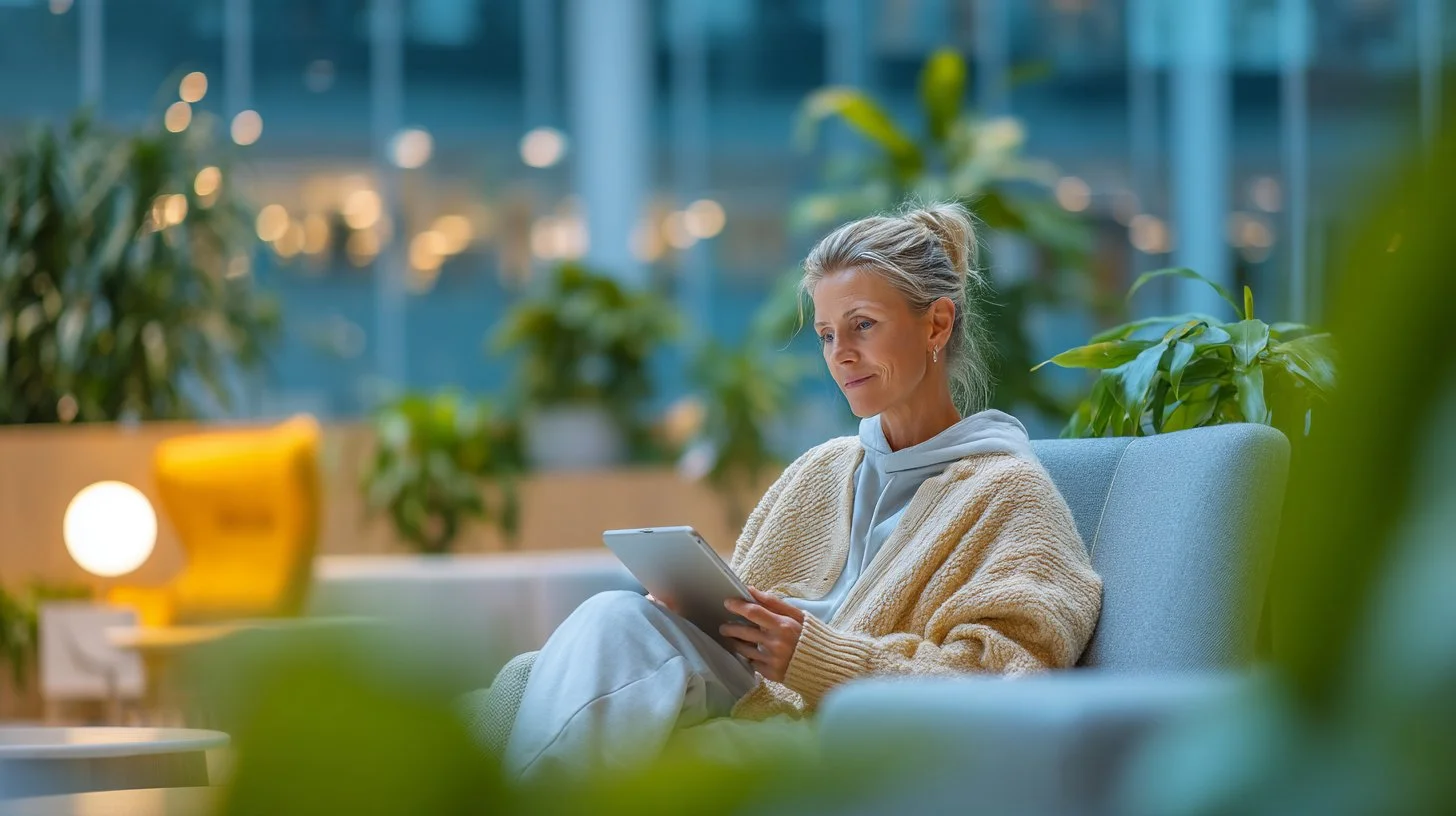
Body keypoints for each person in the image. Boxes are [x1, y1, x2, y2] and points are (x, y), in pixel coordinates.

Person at [501, 201, 1103, 781]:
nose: (841, 356)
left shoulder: (1010, 494)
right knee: (616, 615)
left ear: (936, 324)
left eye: (862, 326)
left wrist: (815, 658)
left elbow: (1012, 682)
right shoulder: (822, 472)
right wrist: (700, 618)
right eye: (825, 335)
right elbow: (745, 614)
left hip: (848, 736)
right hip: (751, 700)